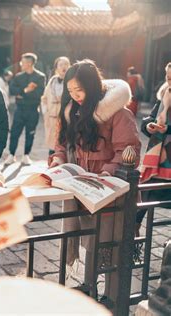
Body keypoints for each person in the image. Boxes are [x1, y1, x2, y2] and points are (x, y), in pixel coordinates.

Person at [48, 59, 141, 299]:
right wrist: (58, 160)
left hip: (111, 193)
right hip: (83, 191)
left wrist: (108, 171)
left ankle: (112, 298)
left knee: (112, 245)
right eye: (70, 91)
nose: (75, 96)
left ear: (92, 85)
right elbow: (62, 144)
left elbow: (128, 150)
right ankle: (90, 288)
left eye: (79, 90)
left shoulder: (119, 114)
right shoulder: (74, 113)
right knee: (90, 241)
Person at [137, 62, 171, 236]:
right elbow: (151, 118)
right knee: (144, 196)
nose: (169, 80)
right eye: (167, 77)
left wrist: (168, 129)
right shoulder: (165, 94)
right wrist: (148, 125)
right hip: (156, 156)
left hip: (168, 158)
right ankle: (133, 238)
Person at [4, 52, 46, 165]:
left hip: (33, 109)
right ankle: (11, 154)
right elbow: (12, 90)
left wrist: (22, 94)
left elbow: (39, 93)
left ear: (30, 63)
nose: (21, 64)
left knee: (30, 133)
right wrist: (26, 90)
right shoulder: (18, 76)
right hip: (20, 109)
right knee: (14, 133)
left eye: (23, 62)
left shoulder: (40, 77)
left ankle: (26, 155)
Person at [41, 56, 71, 155]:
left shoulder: (72, 80)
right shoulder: (52, 81)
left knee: (65, 143)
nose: (64, 67)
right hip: (52, 118)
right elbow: (44, 98)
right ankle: (52, 165)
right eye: (61, 64)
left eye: (66, 64)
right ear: (57, 68)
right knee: (52, 144)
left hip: (66, 118)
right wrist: (45, 112)